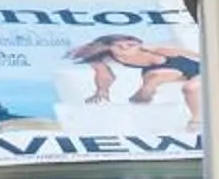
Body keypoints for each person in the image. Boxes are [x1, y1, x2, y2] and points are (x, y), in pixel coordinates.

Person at [66, 29, 202, 132]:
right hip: (162, 72)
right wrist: (102, 91)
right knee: (153, 78)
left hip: (194, 69)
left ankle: (196, 120)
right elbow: (105, 76)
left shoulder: (150, 49)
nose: (125, 48)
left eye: (130, 45)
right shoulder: (103, 59)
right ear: (109, 47)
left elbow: (189, 54)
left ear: (138, 44)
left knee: (187, 87)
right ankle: (142, 99)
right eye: (119, 46)